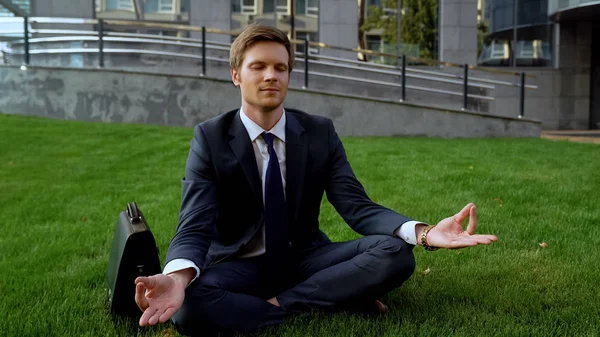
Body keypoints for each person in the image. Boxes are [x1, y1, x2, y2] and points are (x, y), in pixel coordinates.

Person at [134, 24, 498, 336]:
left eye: (280, 67)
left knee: (395, 254)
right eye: (257, 66)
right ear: (236, 75)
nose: (270, 76)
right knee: (188, 310)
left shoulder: (318, 133)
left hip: (304, 257)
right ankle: (334, 297)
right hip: (238, 264)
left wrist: (425, 233)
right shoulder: (210, 137)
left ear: (289, 75)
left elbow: (356, 206)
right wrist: (178, 280)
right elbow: (194, 224)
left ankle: (281, 304)